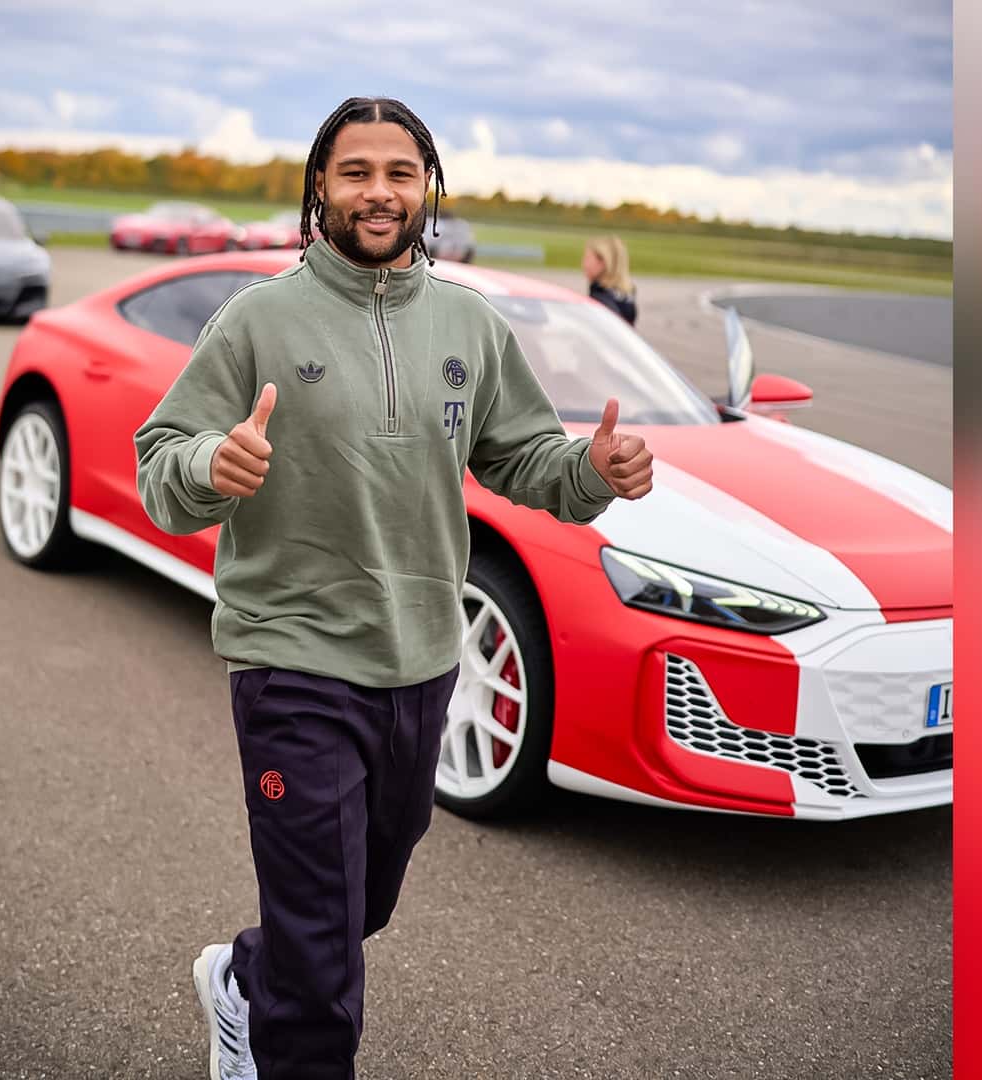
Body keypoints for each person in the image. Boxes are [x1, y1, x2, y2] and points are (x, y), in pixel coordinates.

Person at [134, 96, 655, 1080]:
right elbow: (162, 461)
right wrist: (213, 464)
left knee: (355, 908)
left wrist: (595, 470)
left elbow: (526, 460)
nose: (379, 192)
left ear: (428, 190)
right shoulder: (258, 321)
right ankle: (284, 1024)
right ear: (318, 190)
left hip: (420, 665)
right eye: (356, 172)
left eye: (399, 173)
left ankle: (246, 977)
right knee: (327, 977)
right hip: (292, 664)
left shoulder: (467, 321)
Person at [582, 234, 638, 326]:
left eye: (587, 258)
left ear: (603, 263)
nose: (583, 264)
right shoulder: (625, 297)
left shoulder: (600, 301)